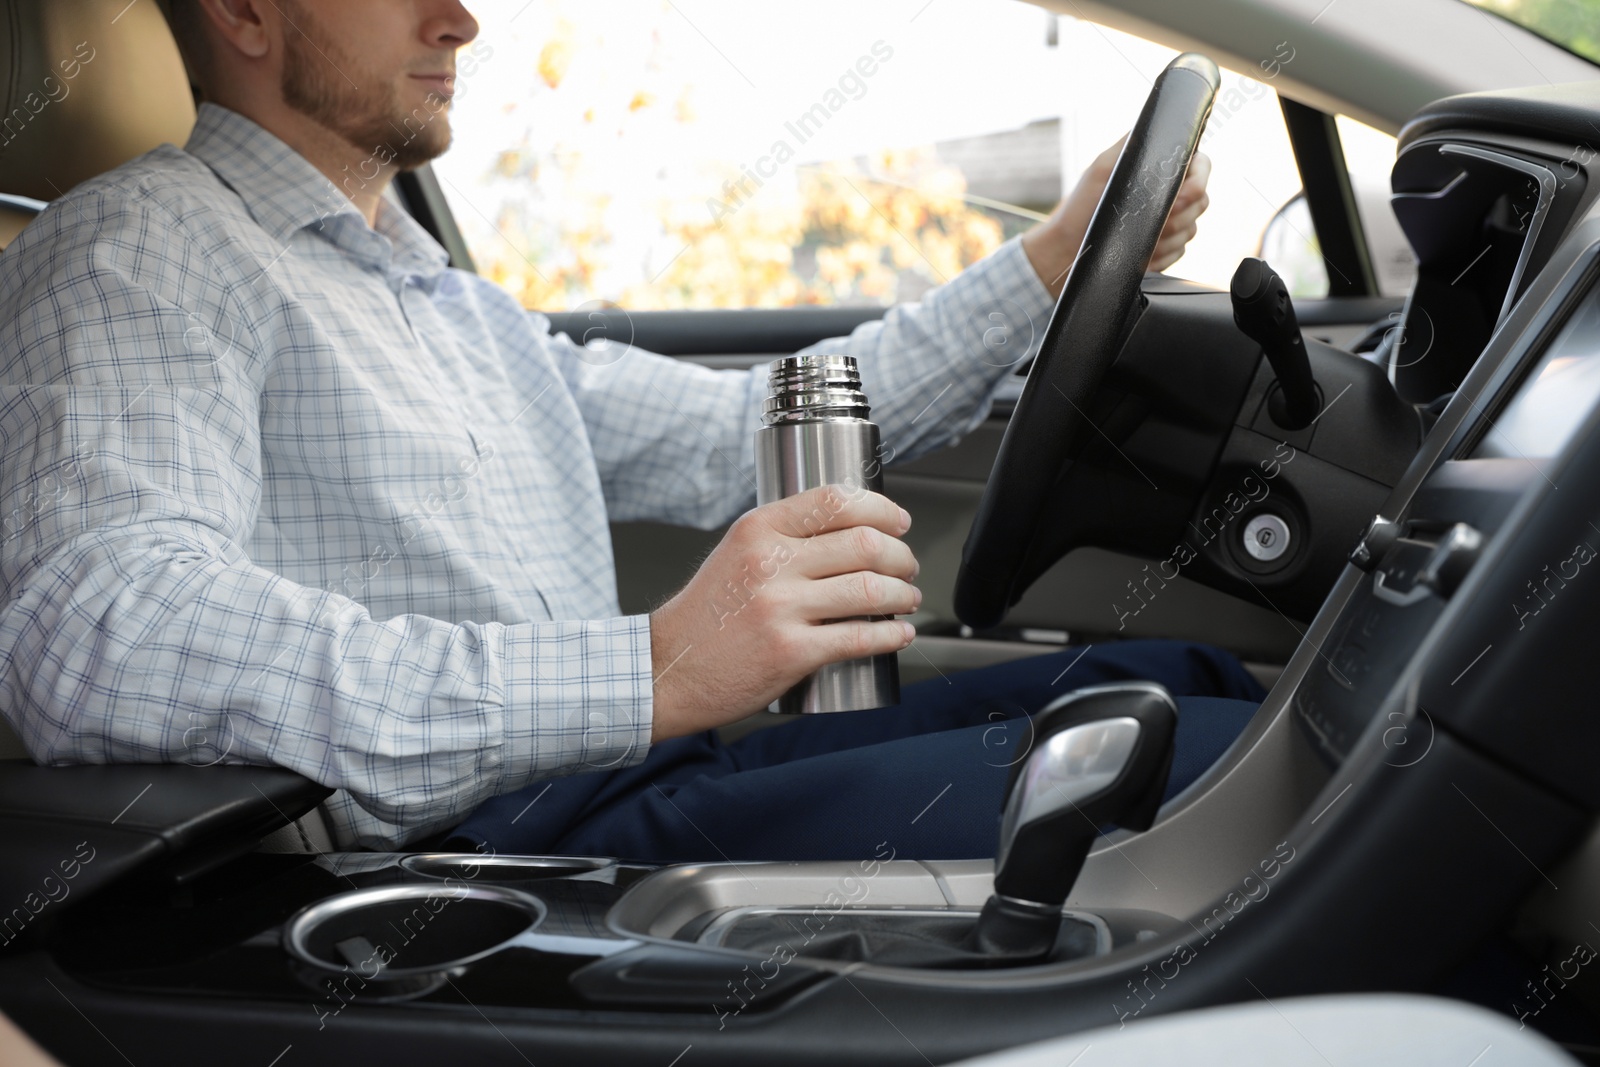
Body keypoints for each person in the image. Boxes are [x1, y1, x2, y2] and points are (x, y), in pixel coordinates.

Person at [0, 0, 1261, 859]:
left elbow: (741, 435)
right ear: (245, 11)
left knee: (1181, 689)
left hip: (625, 788)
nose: (462, 18)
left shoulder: (445, 297)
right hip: (486, 867)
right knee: (1203, 772)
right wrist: (649, 668)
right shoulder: (141, 244)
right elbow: (103, 628)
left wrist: (1046, 268)